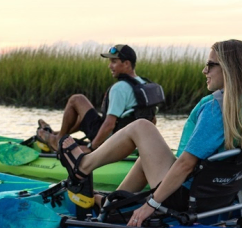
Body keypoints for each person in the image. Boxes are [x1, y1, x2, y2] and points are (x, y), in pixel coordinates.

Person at [57, 39, 242, 227]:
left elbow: (185, 165)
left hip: (186, 198)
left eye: (210, 65)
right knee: (148, 153)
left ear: (230, 69)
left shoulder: (216, 109)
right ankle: (110, 208)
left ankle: (82, 168)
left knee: (142, 127)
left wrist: (149, 206)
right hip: (221, 197)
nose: (204, 71)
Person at [36, 44, 164, 152]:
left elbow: (109, 124)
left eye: (114, 62)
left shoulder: (120, 88)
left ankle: (57, 141)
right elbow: (152, 120)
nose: (109, 66)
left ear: (126, 64)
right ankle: (58, 133)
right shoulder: (145, 85)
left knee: (77, 99)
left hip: (111, 140)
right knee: (85, 118)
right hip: (129, 141)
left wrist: (93, 148)